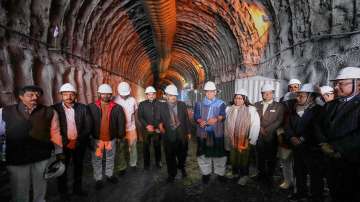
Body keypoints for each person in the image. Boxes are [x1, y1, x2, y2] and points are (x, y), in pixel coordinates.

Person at [1, 85, 63, 202]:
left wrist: (59, 153)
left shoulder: (50, 111)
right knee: (19, 190)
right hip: (16, 158)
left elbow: (55, 133)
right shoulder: (5, 112)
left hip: (41, 157)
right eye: (30, 95)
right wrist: (2, 156)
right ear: (21, 97)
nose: (35, 97)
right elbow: (1, 135)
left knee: (40, 187)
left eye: (37, 95)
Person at [317, 67, 360, 202]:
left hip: (353, 163)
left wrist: (336, 148)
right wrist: (323, 143)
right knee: (335, 193)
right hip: (332, 163)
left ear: (358, 84)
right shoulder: (331, 105)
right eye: (336, 83)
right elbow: (317, 125)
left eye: (341, 83)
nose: (336, 87)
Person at [285, 83, 324, 202]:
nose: (298, 98)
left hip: (312, 148)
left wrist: (302, 139)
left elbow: (316, 128)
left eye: (301, 96)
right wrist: (291, 137)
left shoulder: (318, 111)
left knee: (315, 173)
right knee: (299, 171)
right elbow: (288, 126)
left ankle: (316, 195)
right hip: (297, 148)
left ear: (311, 97)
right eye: (298, 96)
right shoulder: (294, 109)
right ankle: (301, 192)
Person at [53, 83, 92, 199]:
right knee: (62, 169)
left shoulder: (83, 108)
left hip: (79, 144)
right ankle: (63, 192)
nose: (68, 97)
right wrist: (66, 142)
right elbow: (54, 128)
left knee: (78, 166)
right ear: (61, 95)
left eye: (71, 94)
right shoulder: (54, 109)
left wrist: (77, 140)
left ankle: (77, 189)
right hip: (63, 145)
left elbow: (88, 126)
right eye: (65, 94)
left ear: (75, 95)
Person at [88, 84, 126, 190]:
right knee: (97, 159)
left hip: (111, 139)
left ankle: (109, 175)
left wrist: (120, 136)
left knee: (110, 158)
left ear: (111, 95)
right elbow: (88, 123)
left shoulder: (117, 108)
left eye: (108, 94)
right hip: (97, 140)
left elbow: (121, 123)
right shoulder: (91, 107)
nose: (106, 95)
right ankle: (98, 179)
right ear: (99, 94)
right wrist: (89, 137)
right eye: (103, 93)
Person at [155, 84, 191, 182]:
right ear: (166, 96)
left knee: (182, 154)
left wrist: (188, 132)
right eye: (170, 95)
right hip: (168, 135)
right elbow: (157, 119)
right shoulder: (161, 106)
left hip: (181, 134)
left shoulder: (182, 105)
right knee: (170, 156)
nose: (173, 97)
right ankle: (172, 174)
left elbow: (186, 119)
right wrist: (159, 124)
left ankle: (182, 167)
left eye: (174, 95)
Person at [224, 89, 260, 186]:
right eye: (236, 98)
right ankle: (235, 173)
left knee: (244, 157)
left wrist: (252, 139)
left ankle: (244, 175)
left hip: (245, 139)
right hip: (232, 138)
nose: (237, 100)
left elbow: (255, 125)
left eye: (240, 98)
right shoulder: (229, 109)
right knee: (233, 157)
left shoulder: (251, 110)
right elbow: (226, 124)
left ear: (244, 99)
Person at [194, 81, 227, 184]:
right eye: (207, 92)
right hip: (203, 133)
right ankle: (206, 174)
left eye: (212, 91)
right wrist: (200, 121)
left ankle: (220, 173)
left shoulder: (221, 103)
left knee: (219, 155)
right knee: (203, 155)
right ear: (205, 92)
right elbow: (196, 116)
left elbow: (223, 115)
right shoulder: (199, 104)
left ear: (215, 92)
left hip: (217, 134)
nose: (210, 93)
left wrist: (217, 118)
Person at [255, 84, 285, 189]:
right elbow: (253, 118)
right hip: (259, 135)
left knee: (271, 156)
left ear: (272, 93)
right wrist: (259, 128)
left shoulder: (279, 106)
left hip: (271, 136)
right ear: (261, 94)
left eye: (269, 93)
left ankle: (270, 175)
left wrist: (267, 129)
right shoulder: (256, 105)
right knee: (260, 156)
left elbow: (279, 120)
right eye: (264, 93)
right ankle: (261, 173)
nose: (267, 95)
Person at [114, 82, 139, 170]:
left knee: (133, 146)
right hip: (120, 129)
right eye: (122, 94)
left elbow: (136, 113)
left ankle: (133, 163)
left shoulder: (133, 100)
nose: (124, 96)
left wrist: (137, 126)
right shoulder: (115, 100)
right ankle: (122, 167)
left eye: (126, 94)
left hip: (131, 128)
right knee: (120, 148)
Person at [138, 86, 162, 169]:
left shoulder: (160, 104)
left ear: (155, 95)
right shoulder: (142, 104)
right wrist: (147, 125)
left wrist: (158, 126)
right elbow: (140, 117)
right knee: (146, 147)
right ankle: (146, 164)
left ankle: (158, 162)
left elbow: (162, 116)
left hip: (157, 129)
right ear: (146, 95)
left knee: (157, 146)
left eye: (153, 94)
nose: (151, 96)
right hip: (146, 129)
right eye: (149, 94)